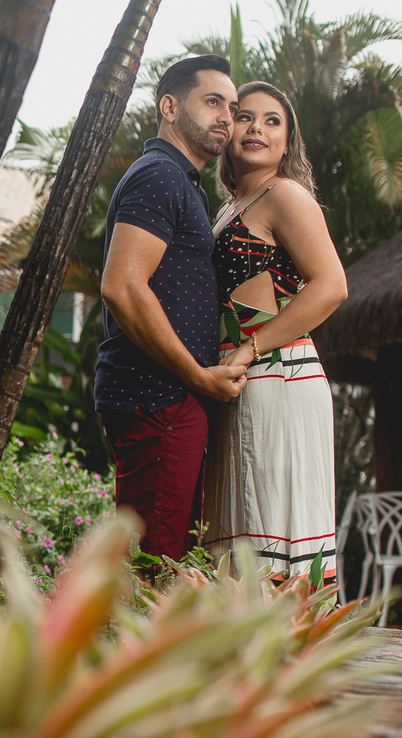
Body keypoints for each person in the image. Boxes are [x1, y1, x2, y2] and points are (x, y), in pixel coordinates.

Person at [95, 55, 247, 562]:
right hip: (156, 396)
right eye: (212, 102)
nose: (226, 116)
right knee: (152, 567)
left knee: (166, 557)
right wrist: (197, 377)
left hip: (165, 397)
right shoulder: (159, 175)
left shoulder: (182, 182)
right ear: (169, 106)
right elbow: (121, 286)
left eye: (232, 106)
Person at [201, 81, 347, 585]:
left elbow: (331, 286)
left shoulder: (285, 195)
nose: (256, 128)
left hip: (279, 381)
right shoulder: (229, 207)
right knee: (240, 526)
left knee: (272, 526)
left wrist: (251, 346)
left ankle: (289, 655)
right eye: (245, 117)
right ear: (228, 130)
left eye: (272, 121)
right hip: (238, 382)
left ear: (288, 143)